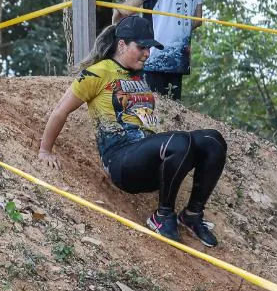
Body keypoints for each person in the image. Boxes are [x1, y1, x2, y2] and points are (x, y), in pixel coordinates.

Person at [37, 15, 227, 247]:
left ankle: (192, 215)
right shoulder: (98, 72)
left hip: (147, 158)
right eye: (142, 47)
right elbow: (60, 111)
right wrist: (45, 150)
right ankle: (162, 216)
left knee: (212, 140)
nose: (147, 53)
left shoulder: (139, 76)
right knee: (179, 141)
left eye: (150, 47)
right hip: (121, 162)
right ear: (122, 45)